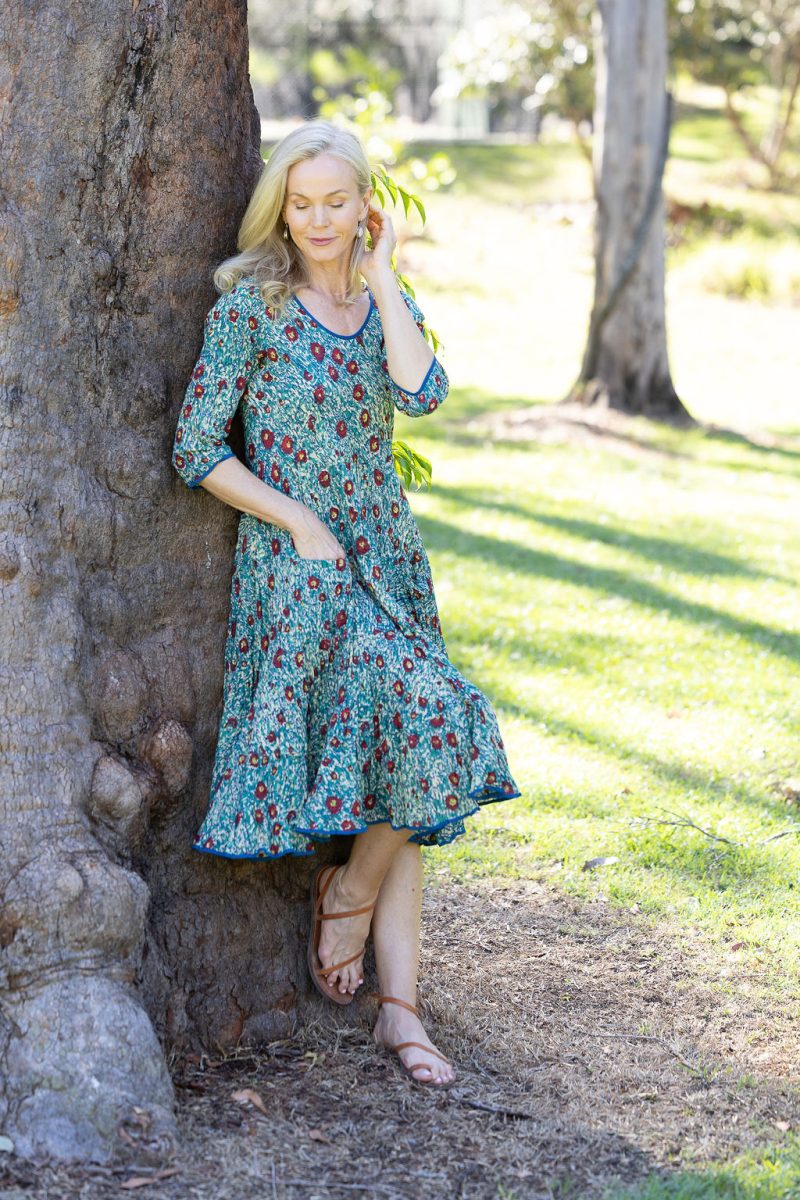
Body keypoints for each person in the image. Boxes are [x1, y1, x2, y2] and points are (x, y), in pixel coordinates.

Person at [171, 118, 522, 1087]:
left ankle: (393, 996)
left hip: (388, 562)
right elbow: (197, 449)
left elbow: (423, 392)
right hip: (300, 572)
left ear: (362, 206)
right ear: (279, 206)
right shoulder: (252, 306)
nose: (318, 219)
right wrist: (297, 520)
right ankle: (354, 907)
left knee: (418, 746)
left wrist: (380, 273)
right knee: (432, 720)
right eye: (302, 201)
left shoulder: (375, 297)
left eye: (336, 201)